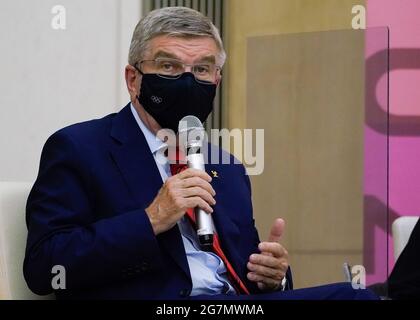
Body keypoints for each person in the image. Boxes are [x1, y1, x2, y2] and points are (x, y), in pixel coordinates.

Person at [23, 7, 377, 300]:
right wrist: (150, 219)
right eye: (169, 67)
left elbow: (242, 272)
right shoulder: (79, 148)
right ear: (133, 79)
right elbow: (46, 269)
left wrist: (272, 277)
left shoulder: (227, 166)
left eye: (202, 69)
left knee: (357, 296)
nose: (188, 81)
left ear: (217, 81)